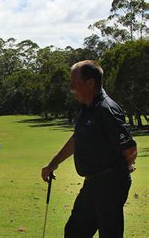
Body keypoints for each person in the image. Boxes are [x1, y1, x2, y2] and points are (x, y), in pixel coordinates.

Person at [41, 60, 137, 237]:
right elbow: (77, 139)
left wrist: (127, 165)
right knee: (75, 231)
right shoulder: (87, 108)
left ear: (90, 83)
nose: (70, 87)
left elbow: (130, 148)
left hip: (111, 184)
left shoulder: (106, 110)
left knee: (110, 233)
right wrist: (53, 164)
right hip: (93, 183)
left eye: (74, 82)